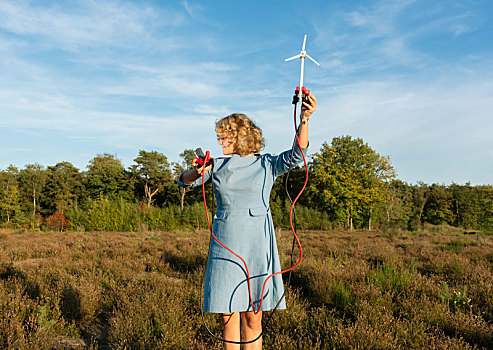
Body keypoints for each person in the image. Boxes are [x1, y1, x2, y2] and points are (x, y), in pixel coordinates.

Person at [178, 93, 316, 350]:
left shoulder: (267, 164)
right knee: (227, 315)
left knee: (253, 317)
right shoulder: (215, 165)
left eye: (224, 138)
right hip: (225, 242)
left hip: (257, 244)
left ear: (240, 137)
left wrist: (304, 119)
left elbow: (297, 156)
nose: (219, 143)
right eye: (219, 138)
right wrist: (196, 170)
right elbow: (184, 180)